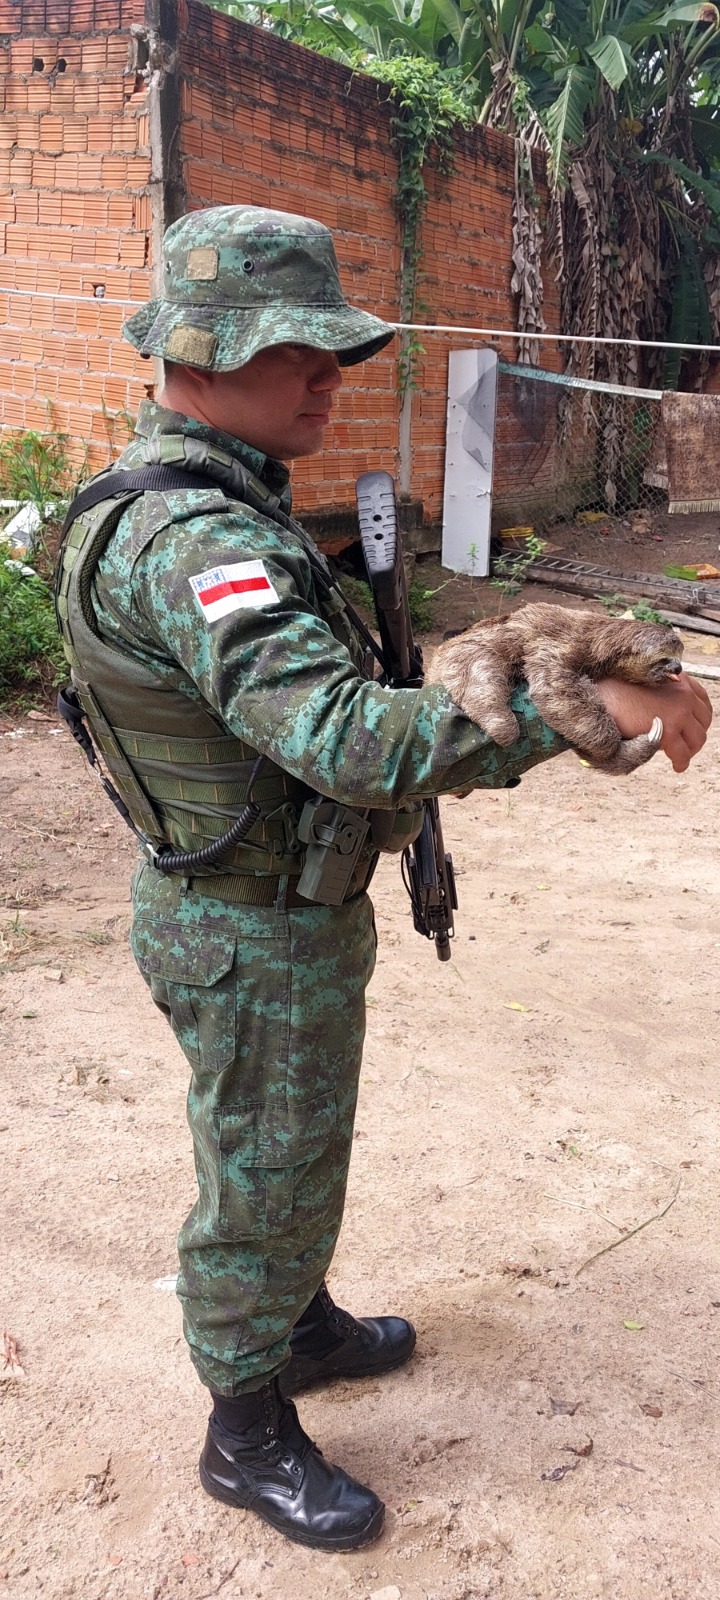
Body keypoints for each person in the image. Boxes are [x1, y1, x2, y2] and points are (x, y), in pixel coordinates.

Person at [56, 205, 711, 1554]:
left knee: (289, 1149)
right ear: (199, 357)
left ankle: (296, 1324)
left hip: (267, 909)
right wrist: (567, 709)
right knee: (261, 1167)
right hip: (247, 922)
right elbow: (353, 742)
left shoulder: (217, 501)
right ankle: (245, 1433)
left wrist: (519, 648)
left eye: (331, 350)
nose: (327, 378)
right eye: (296, 350)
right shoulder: (195, 543)